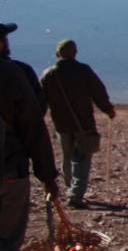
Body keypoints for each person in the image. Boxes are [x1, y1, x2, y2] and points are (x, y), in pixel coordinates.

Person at [0, 23, 61, 251]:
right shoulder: (12, 74)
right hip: (9, 175)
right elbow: (34, 125)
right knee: (6, 248)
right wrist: (48, 175)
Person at [40, 39, 116, 209]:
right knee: (82, 160)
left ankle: (69, 189)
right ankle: (76, 195)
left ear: (58, 54)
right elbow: (98, 92)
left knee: (67, 158)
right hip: (83, 123)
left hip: (61, 124)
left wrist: (36, 117)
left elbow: (40, 100)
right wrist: (108, 109)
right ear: (75, 53)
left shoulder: (48, 74)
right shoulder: (83, 71)